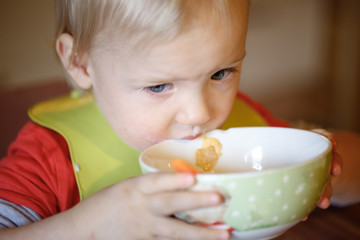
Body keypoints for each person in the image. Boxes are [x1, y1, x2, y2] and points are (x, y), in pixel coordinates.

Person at [0, 0, 357, 239]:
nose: (200, 114)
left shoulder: (244, 125)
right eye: (159, 86)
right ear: (80, 63)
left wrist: (322, 166)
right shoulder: (50, 155)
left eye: (221, 73)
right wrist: (87, 226)